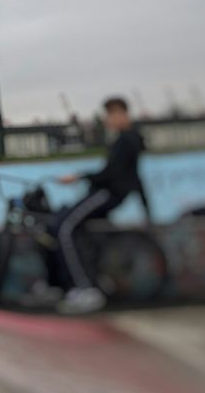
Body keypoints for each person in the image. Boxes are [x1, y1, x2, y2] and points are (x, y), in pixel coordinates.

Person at [43, 96, 152, 314]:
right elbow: (133, 178)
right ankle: (71, 285)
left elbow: (112, 175)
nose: (108, 120)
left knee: (65, 228)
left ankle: (86, 289)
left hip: (106, 195)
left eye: (111, 115)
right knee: (64, 224)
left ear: (122, 114)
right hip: (104, 193)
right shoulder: (125, 140)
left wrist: (79, 177)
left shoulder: (126, 141)